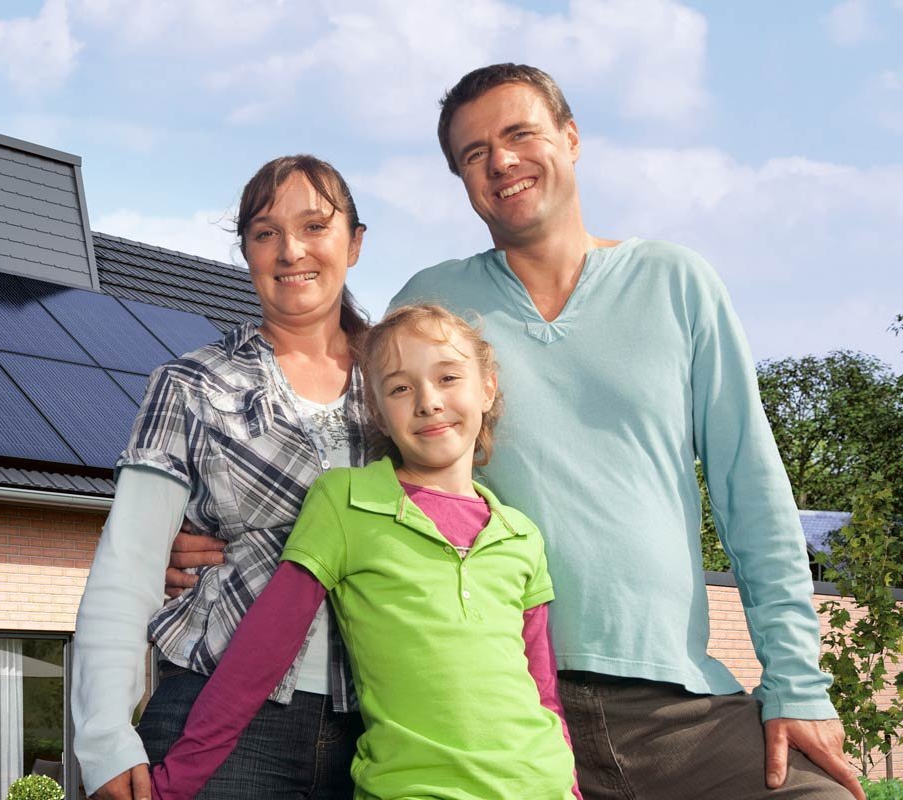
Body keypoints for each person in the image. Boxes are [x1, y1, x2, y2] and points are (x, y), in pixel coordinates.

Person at [167, 64, 863, 799]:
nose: (499, 161)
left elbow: (751, 492)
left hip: (677, 704)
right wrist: (220, 539)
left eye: (519, 133)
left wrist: (798, 681)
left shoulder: (676, 282)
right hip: (490, 709)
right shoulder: (434, 303)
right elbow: (353, 464)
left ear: (570, 137)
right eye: (473, 154)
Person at [152, 304, 579, 800]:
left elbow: (543, 692)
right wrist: (175, 782)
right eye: (400, 387)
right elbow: (259, 654)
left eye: (448, 377)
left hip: (541, 785)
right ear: (376, 410)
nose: (428, 401)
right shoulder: (345, 501)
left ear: (486, 387)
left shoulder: (520, 534)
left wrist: (570, 788)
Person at [71, 155, 375, 800]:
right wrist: (103, 735)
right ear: (246, 252)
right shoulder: (190, 385)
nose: (291, 250)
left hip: (384, 721)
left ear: (354, 243)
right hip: (220, 717)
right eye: (265, 233)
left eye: (315, 226)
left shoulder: (405, 386)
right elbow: (126, 567)